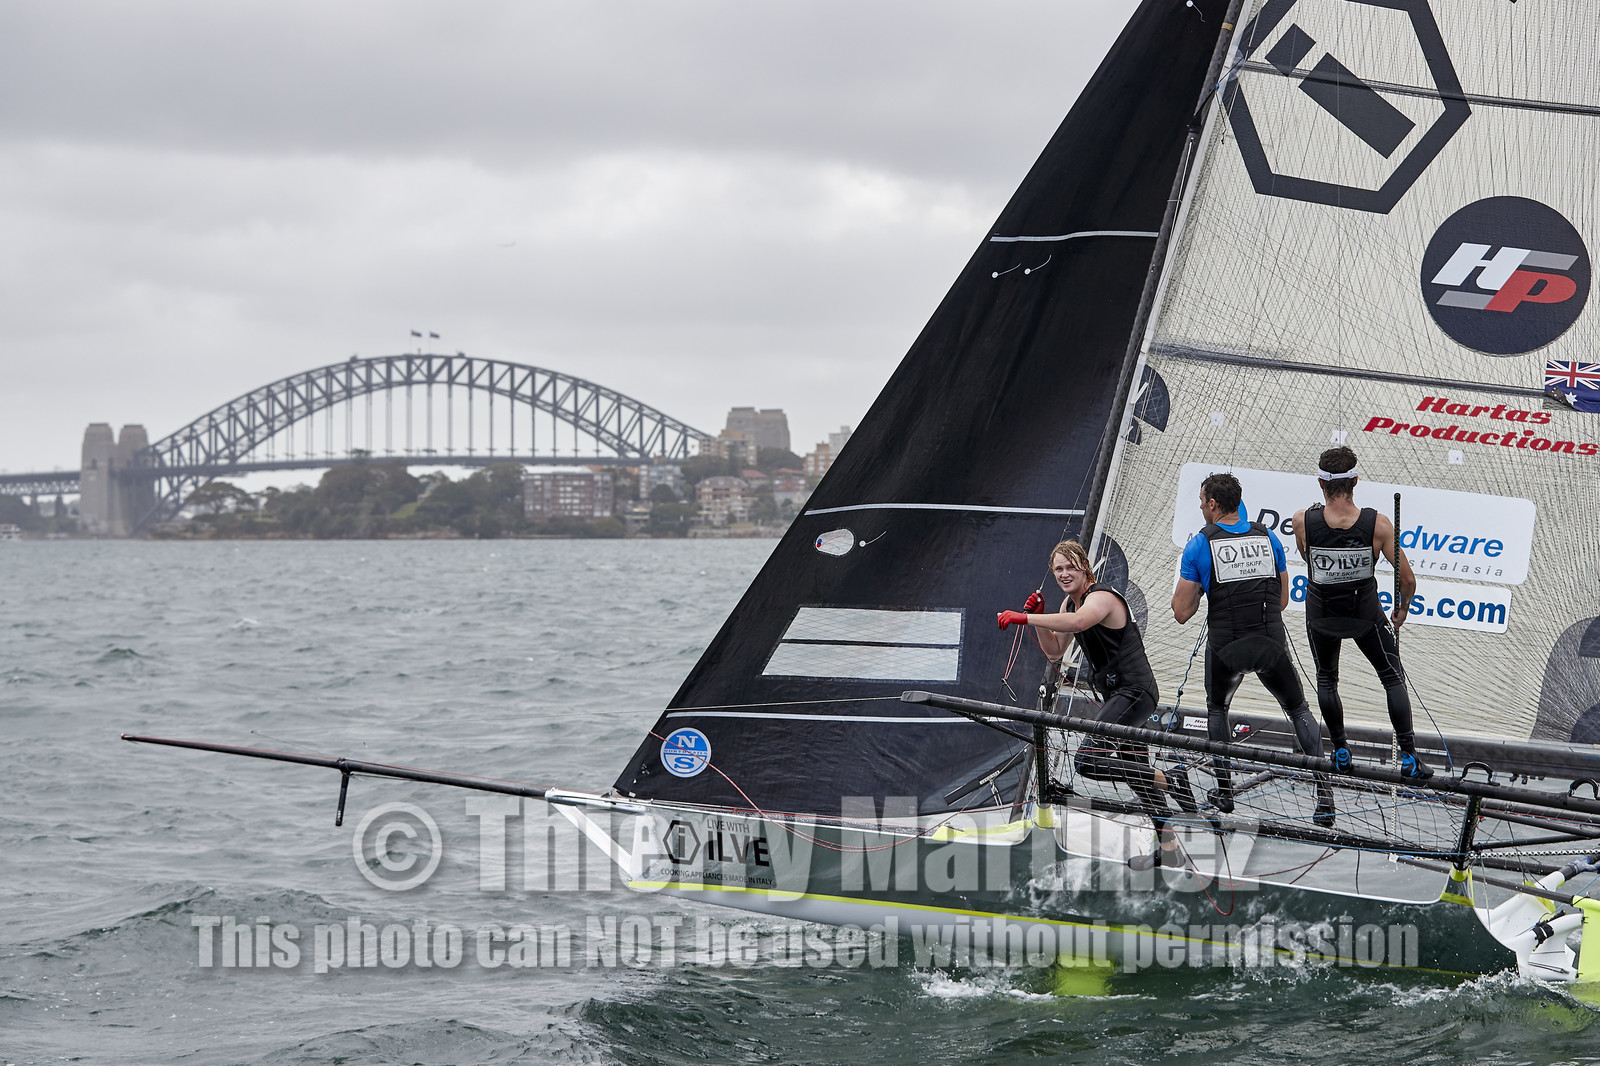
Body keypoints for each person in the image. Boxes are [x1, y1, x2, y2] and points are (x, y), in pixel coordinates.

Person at [1000, 540, 1192, 870]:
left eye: (1070, 567)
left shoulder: (1101, 597)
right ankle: (1170, 847)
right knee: (1134, 771)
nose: (1063, 574)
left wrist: (1025, 619)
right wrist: (1035, 615)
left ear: (1085, 567)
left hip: (1135, 692)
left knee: (1088, 761)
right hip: (1117, 696)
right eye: (1057, 569)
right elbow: (1056, 650)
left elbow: (1077, 624)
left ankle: (1172, 778)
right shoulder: (1068, 605)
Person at [1172, 473, 1334, 825]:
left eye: (1202, 501)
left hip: (1227, 648)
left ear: (1213, 504)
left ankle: (1225, 793)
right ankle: (1325, 798)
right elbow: (1282, 599)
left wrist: (1203, 586)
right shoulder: (1267, 537)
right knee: (1298, 709)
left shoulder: (1199, 545)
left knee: (1217, 711)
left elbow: (1182, 613)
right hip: (1269, 643)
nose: (1200, 506)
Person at [1293, 446, 1431, 780]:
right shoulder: (1378, 524)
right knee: (1392, 677)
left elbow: (1307, 558)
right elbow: (1408, 580)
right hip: (1365, 616)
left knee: (1327, 679)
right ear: (1355, 481)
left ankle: (1340, 752)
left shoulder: (1302, 521)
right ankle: (1410, 758)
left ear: (1320, 485)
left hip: (1322, 616)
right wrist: (1403, 610)